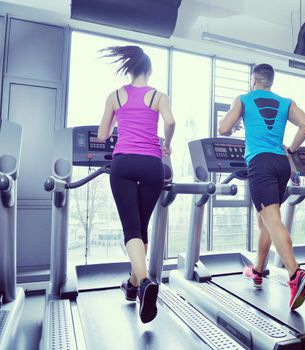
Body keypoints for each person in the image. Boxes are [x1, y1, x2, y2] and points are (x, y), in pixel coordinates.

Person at [218, 63, 305, 310]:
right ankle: (258, 270)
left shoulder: (244, 99)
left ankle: (296, 274)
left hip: (260, 162)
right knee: (266, 221)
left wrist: (238, 123)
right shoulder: (285, 102)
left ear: (253, 80)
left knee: (271, 220)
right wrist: (291, 149)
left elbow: (223, 129)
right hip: (281, 162)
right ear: (271, 81)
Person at [97, 46, 176, 323]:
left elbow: (102, 133)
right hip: (153, 165)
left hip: (124, 164)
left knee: (132, 228)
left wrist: (118, 126)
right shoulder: (158, 96)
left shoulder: (115, 96)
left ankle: (143, 282)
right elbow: (171, 121)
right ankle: (132, 286)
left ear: (129, 70)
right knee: (141, 228)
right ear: (149, 71)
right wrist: (166, 143)